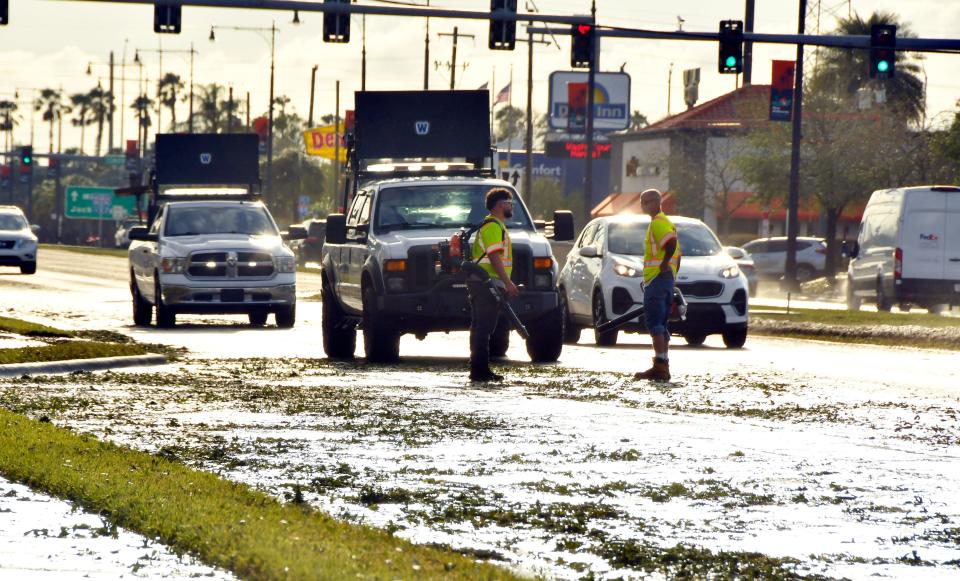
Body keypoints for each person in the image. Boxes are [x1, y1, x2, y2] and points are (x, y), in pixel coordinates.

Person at [467, 187, 520, 382]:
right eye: (509, 203)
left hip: (486, 283)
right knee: (483, 327)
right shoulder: (493, 227)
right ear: (499, 205)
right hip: (486, 284)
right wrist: (508, 282)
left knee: (482, 327)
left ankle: (479, 369)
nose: (511, 206)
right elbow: (494, 256)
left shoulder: (496, 226)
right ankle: (479, 371)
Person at [634, 188, 681, 381]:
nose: (642, 205)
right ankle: (662, 364)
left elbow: (671, 244)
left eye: (645, 202)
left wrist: (663, 266)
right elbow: (679, 253)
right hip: (664, 280)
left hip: (657, 280)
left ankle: (660, 367)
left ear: (655, 202)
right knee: (661, 322)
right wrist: (671, 272)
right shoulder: (666, 222)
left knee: (654, 322)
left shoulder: (657, 224)